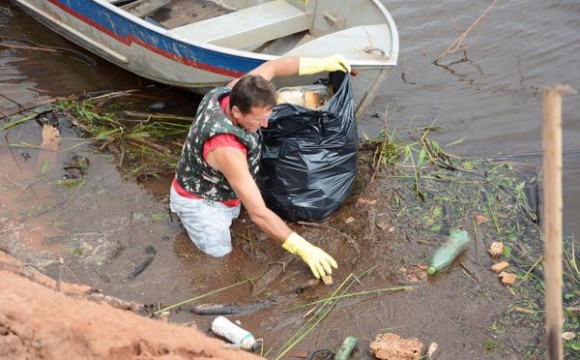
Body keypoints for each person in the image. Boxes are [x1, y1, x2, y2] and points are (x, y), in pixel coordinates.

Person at [170, 54, 350, 279]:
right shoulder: (227, 149)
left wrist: (323, 62)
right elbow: (259, 214)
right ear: (236, 112)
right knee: (219, 257)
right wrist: (303, 247)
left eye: (267, 116)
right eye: (257, 120)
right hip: (201, 204)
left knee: (236, 209)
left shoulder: (236, 92)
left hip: (218, 185)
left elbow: (276, 65)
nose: (264, 124)